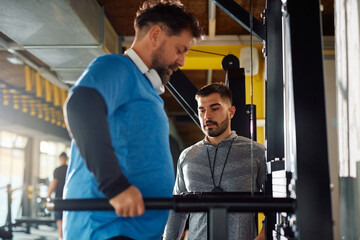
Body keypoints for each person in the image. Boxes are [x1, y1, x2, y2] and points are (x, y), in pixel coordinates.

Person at [62, 1, 203, 239]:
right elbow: (81, 105)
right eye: (180, 50)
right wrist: (115, 187)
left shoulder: (146, 88)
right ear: (156, 35)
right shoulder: (118, 67)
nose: (182, 61)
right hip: (108, 228)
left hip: (132, 230)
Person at [163, 83, 266, 240]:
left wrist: (263, 236)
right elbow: (177, 211)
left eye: (214, 108)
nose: (207, 116)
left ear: (231, 112)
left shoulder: (256, 152)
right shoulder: (188, 157)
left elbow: (275, 204)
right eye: (202, 110)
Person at [47, 152, 68, 240]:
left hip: (59, 198)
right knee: (67, 219)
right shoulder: (70, 169)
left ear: (60, 159)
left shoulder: (58, 170)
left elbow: (54, 183)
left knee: (60, 220)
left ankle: (61, 237)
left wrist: (48, 195)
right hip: (69, 198)